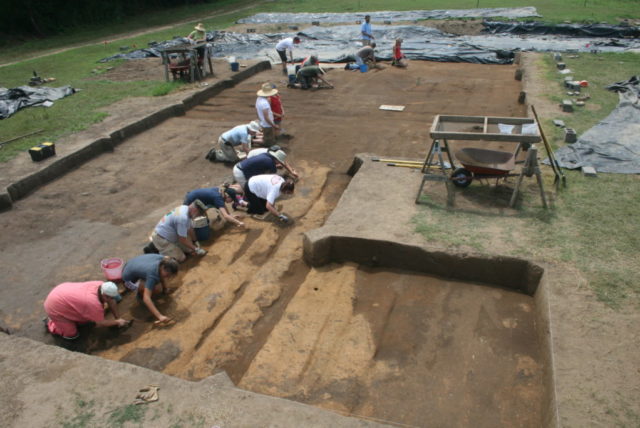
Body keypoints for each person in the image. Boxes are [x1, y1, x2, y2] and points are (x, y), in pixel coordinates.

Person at [44, 281, 128, 340]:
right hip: (54, 305)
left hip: (64, 292)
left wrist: (118, 318)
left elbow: (112, 301)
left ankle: (71, 318)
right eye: (110, 297)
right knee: (72, 335)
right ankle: (50, 323)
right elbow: (100, 323)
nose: (112, 299)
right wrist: (117, 322)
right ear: (105, 295)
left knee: (85, 321)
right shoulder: (92, 303)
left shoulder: (102, 285)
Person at [122, 254, 179, 325]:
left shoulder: (165, 260)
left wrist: (165, 288)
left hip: (131, 264)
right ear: (163, 267)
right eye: (168, 275)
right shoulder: (152, 274)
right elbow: (147, 298)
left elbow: (163, 273)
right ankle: (140, 296)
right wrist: (160, 316)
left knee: (158, 282)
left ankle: (158, 288)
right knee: (157, 289)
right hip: (128, 280)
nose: (168, 277)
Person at [233, 150, 299, 186]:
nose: (280, 163)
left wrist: (291, 171)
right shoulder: (270, 162)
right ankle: (232, 190)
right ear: (276, 159)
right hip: (240, 172)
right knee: (248, 189)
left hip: (240, 166)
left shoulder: (267, 155)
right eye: (279, 161)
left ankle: (234, 185)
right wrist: (285, 180)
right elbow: (273, 177)